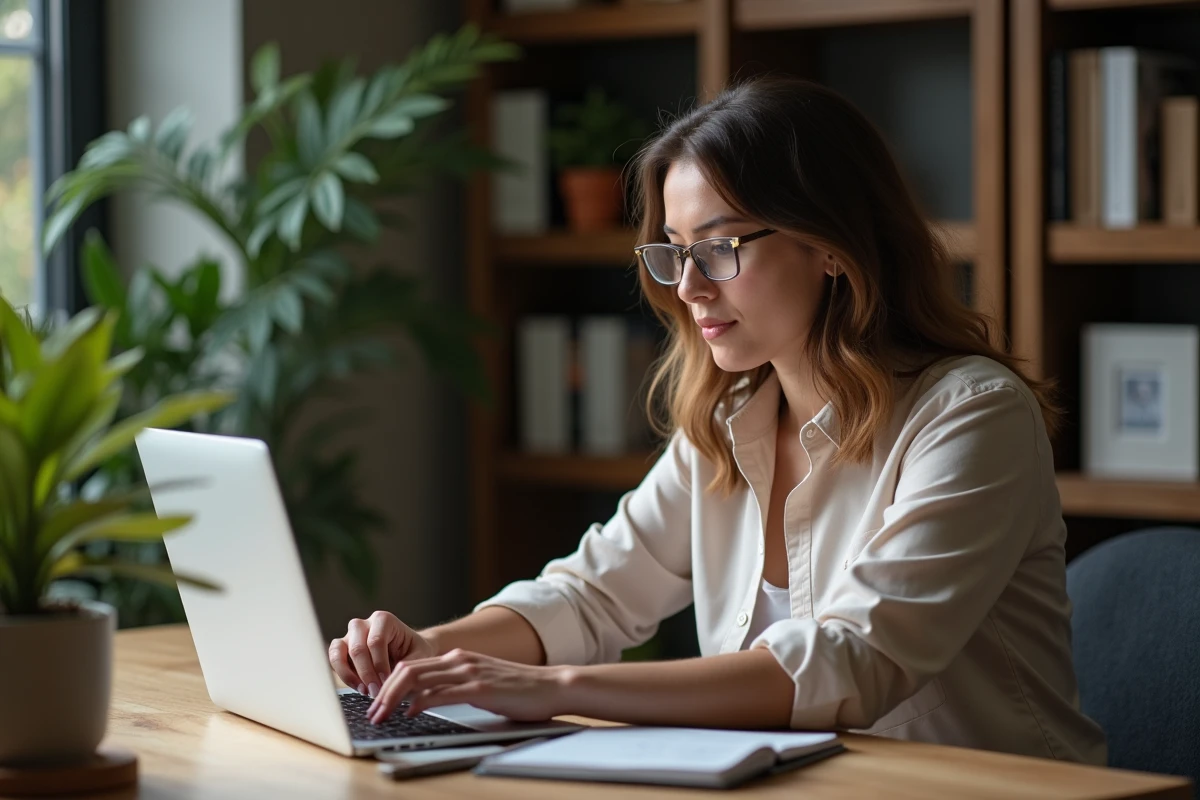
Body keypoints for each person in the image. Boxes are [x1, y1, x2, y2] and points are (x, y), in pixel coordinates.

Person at [329, 77, 1106, 764]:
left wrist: (549, 688)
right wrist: (428, 652)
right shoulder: (730, 419)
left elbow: (849, 662)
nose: (689, 288)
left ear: (831, 245)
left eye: (721, 246)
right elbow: (592, 595)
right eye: (673, 252)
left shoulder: (971, 417)